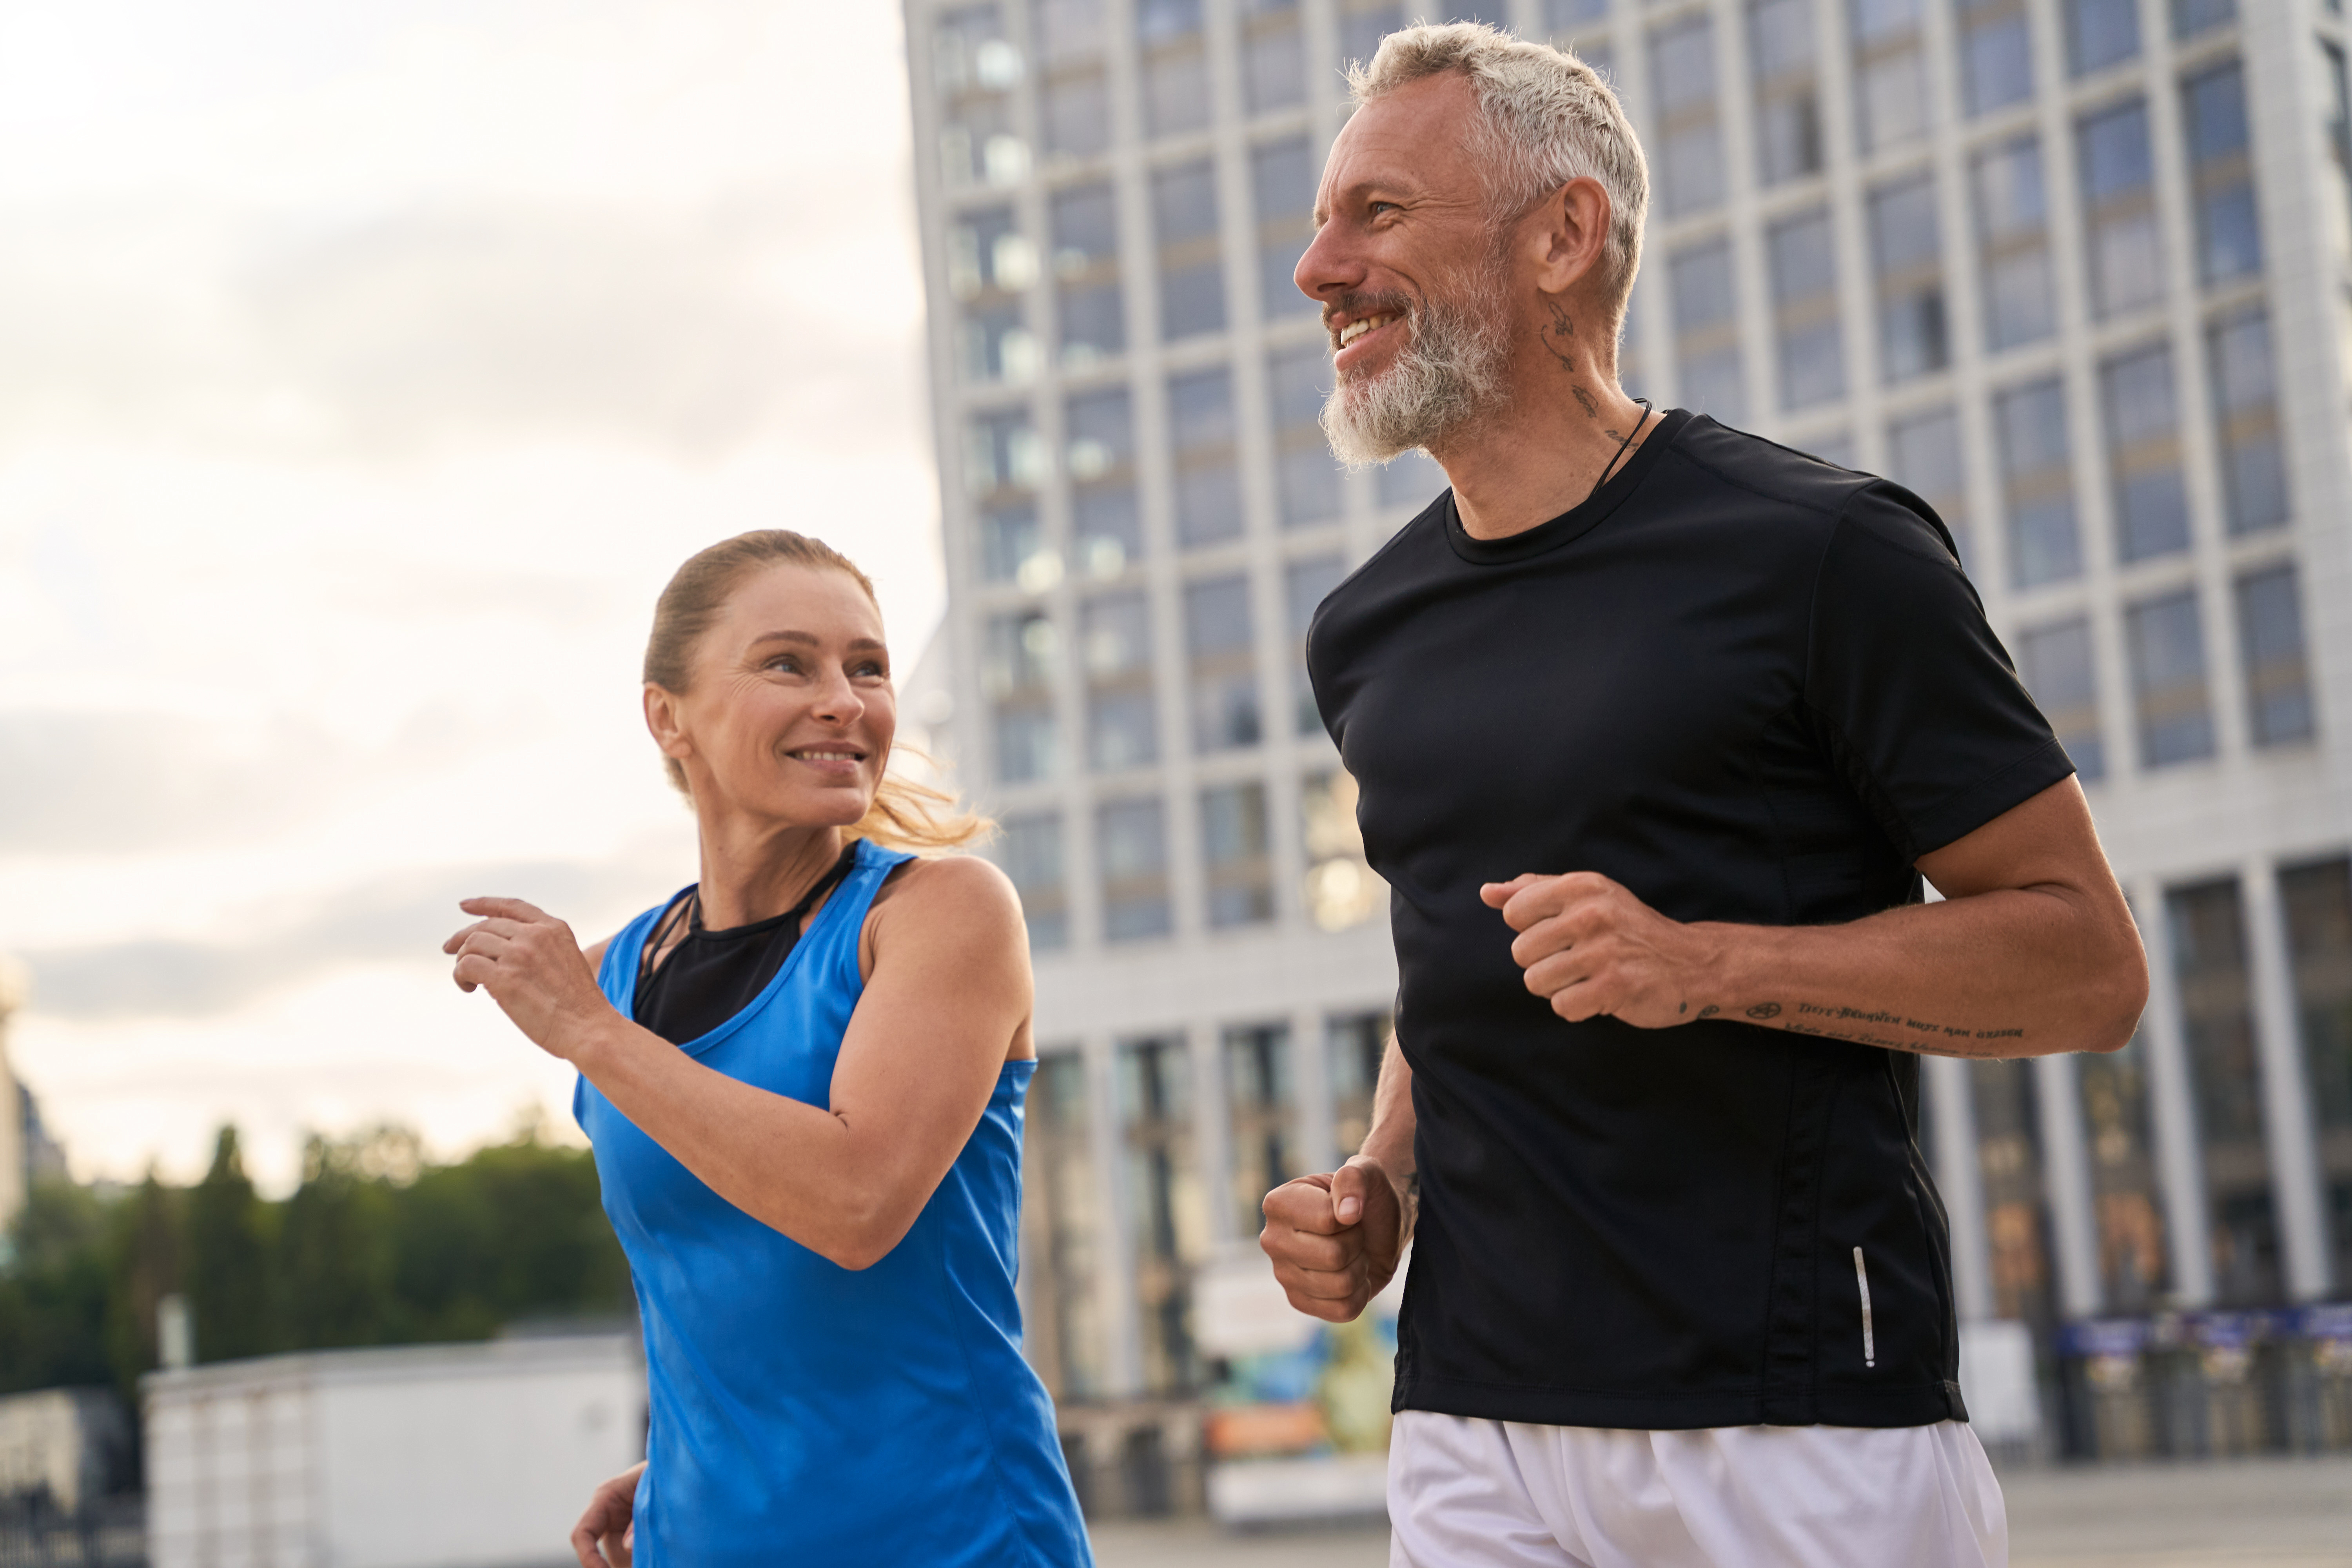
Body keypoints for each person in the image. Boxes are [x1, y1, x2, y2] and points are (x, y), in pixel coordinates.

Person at [1257, 24, 2149, 1568]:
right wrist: (1382, 1181)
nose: (1316, 269)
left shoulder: (1825, 555)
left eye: (1378, 214)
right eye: (1327, 219)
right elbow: (1453, 965)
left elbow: (2086, 964)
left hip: (1804, 1421)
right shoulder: (1362, 633)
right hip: (1472, 1421)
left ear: (1563, 235)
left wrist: (1709, 964)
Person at [443, 530, 1092, 1568]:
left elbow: (855, 1203)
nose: (844, 699)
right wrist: (705, 1464)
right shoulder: (612, 978)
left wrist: (592, 1035)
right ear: (669, 717)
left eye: (866, 668)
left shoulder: (940, 912)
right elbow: (730, 1299)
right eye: (790, 663)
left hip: (955, 1540)